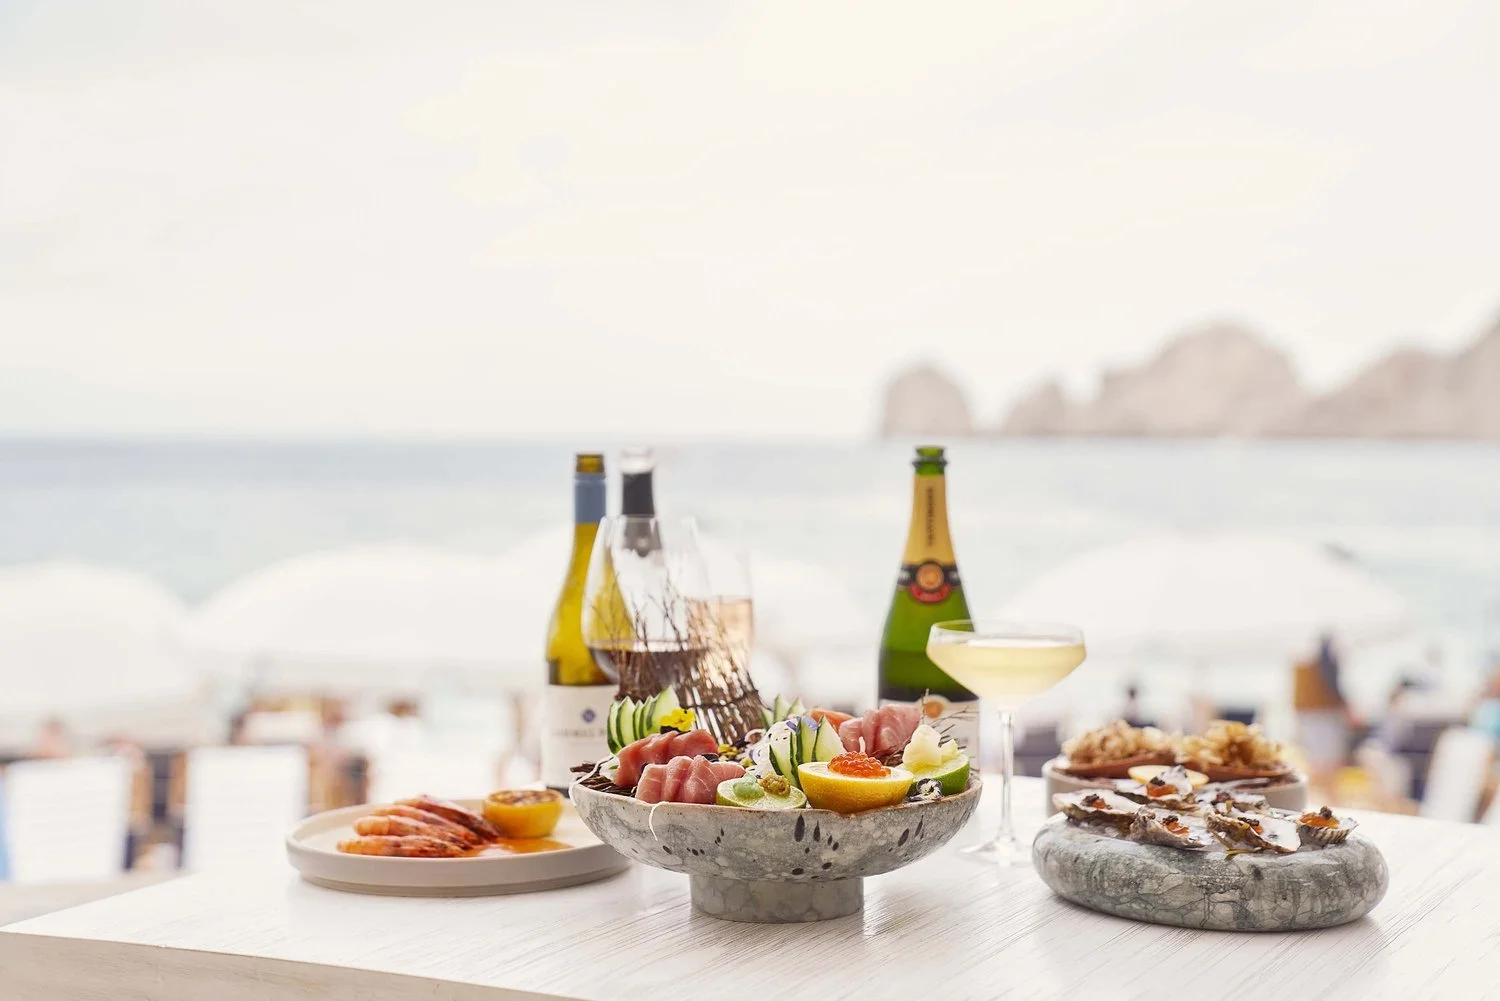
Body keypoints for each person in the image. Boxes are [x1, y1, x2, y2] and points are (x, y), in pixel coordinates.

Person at [1292, 633, 1352, 789]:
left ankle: (1322, 791)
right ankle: (1326, 792)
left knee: (1317, 760)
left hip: (1310, 714)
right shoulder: (1321, 663)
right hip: (1323, 715)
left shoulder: (1303, 665)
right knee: (1326, 761)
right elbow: (1332, 683)